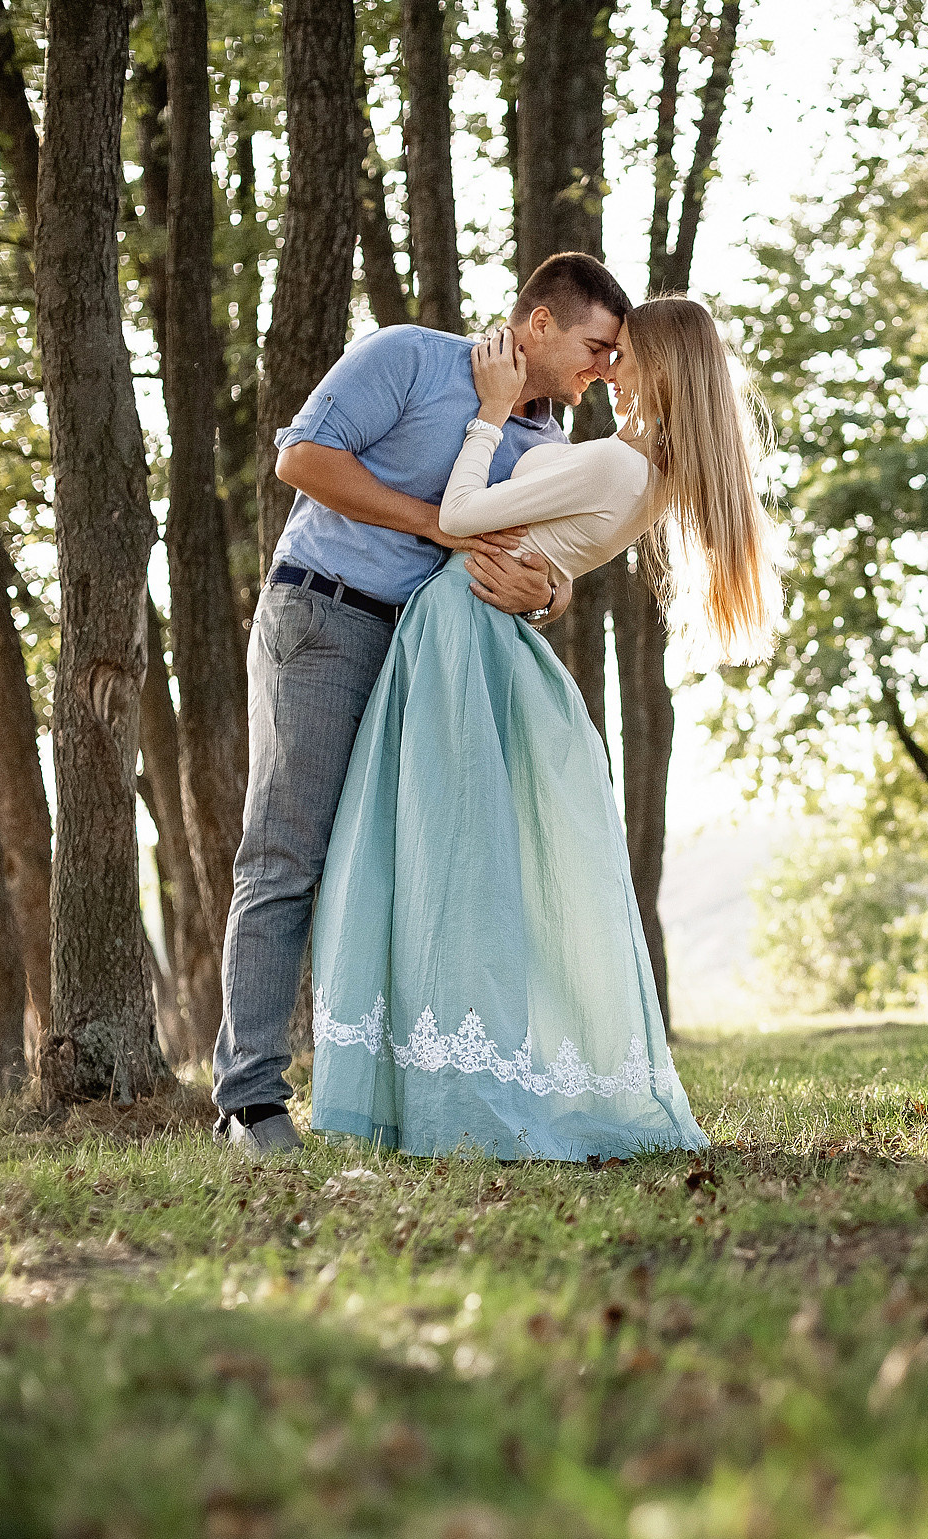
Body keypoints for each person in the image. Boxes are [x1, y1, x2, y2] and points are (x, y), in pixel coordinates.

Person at [305, 294, 779, 1161]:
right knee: (461, 858)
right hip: (485, 634)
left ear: (661, 368)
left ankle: (451, 1089)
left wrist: (488, 415)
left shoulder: (611, 464)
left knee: (438, 858)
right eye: (604, 349)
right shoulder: (644, 471)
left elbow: (456, 520)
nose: (609, 369)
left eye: (624, 354)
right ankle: (438, 1077)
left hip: (463, 630)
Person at [212, 252, 630, 1157]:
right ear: (541, 323)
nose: (604, 370)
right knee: (286, 852)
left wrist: (545, 599)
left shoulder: (550, 447)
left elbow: (546, 569)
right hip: (322, 617)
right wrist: (436, 520)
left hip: (425, 661)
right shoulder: (410, 356)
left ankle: (378, 1092)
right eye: (597, 347)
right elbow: (302, 460)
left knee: (396, 872)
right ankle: (249, 1102)